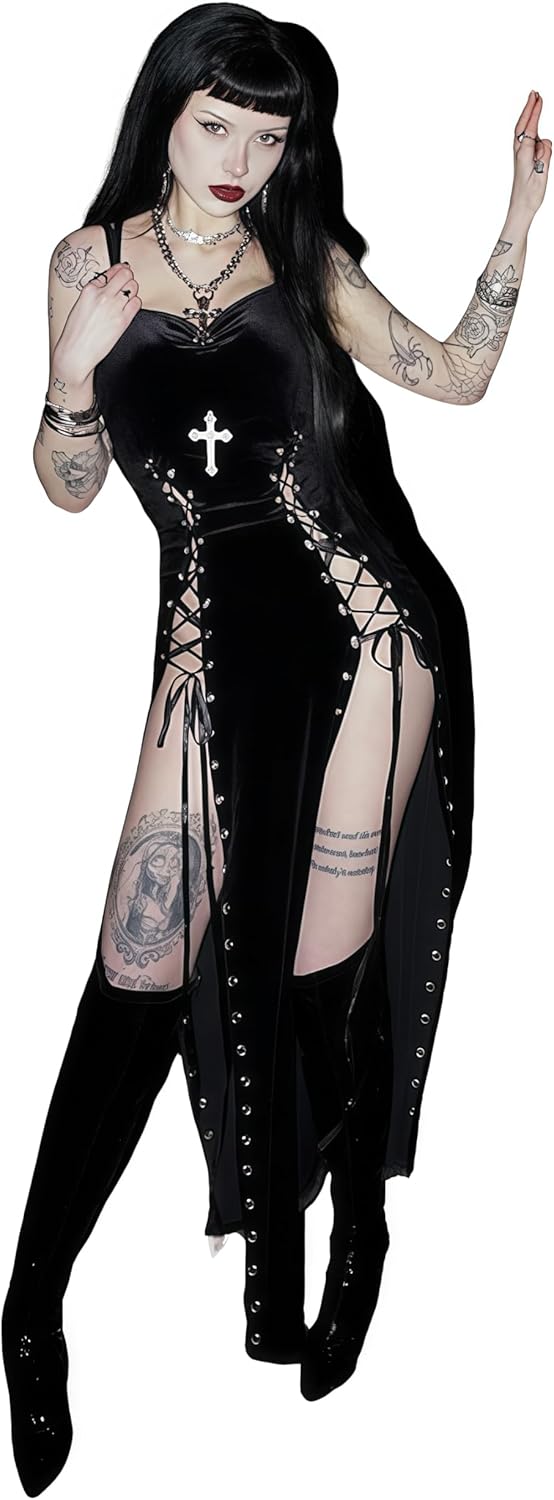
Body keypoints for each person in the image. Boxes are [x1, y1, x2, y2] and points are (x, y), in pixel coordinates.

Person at [2, 1, 550, 1490]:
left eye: (271, 130)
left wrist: (518, 217)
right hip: (208, 646)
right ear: (165, 112)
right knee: (135, 969)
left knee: (320, 973)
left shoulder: (303, 261)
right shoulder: (86, 264)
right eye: (217, 123)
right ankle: (31, 1310)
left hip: (368, 632)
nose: (242, 156)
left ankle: (353, 1228)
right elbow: (67, 490)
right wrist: (68, 377)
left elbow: (457, 376)